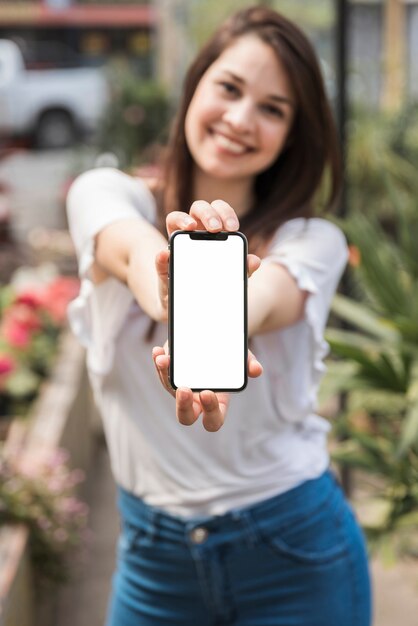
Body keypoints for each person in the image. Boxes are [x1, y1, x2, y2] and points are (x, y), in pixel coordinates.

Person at [66, 6, 371, 626]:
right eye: (229, 88)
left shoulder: (312, 240)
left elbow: (263, 300)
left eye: (273, 108)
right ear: (194, 85)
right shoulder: (104, 193)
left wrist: (221, 309)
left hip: (295, 550)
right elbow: (132, 256)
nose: (239, 119)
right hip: (152, 563)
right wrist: (175, 289)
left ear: (294, 134)